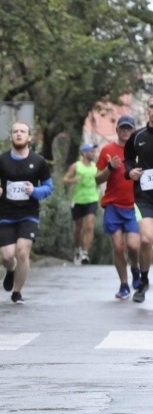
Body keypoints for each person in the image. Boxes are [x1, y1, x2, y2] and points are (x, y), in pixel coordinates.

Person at [0, 121, 53, 304]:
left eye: (23, 131)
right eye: (15, 131)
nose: (18, 134)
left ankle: (17, 292)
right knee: (8, 256)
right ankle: (11, 270)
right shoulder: (1, 161)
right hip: (6, 214)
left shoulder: (38, 162)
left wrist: (35, 191)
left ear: (29, 137)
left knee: (22, 252)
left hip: (29, 214)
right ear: (11, 137)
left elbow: (48, 187)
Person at [95, 115, 141, 300]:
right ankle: (124, 285)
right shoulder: (107, 150)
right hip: (113, 205)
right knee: (118, 246)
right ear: (117, 130)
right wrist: (110, 167)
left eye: (129, 128)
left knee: (133, 245)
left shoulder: (141, 150)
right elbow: (98, 179)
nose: (126, 131)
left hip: (135, 205)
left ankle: (135, 269)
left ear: (134, 130)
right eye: (123, 128)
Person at [124, 98, 153, 303]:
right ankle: (143, 281)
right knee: (145, 239)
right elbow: (127, 159)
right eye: (152, 106)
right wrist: (129, 172)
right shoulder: (138, 137)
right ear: (147, 109)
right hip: (144, 198)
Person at [62, 143, 99, 264]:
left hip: (92, 199)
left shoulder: (95, 167)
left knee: (89, 226)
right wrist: (73, 180)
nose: (93, 154)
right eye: (91, 152)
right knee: (78, 228)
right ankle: (77, 249)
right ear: (84, 153)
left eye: (94, 151)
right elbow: (65, 179)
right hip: (78, 200)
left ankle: (85, 253)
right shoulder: (76, 166)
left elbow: (99, 180)